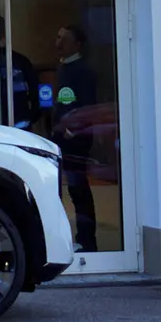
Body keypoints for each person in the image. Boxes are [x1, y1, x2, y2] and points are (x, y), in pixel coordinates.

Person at [51, 24, 100, 252]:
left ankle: (87, 241)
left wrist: (73, 131)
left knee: (78, 189)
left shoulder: (83, 71)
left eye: (64, 39)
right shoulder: (62, 69)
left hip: (75, 141)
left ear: (77, 44)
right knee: (67, 188)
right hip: (61, 138)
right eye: (58, 37)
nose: (58, 43)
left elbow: (88, 106)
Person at [0, 19, 39, 129]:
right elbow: (38, 94)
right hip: (18, 126)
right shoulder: (20, 61)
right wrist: (29, 119)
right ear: (5, 34)